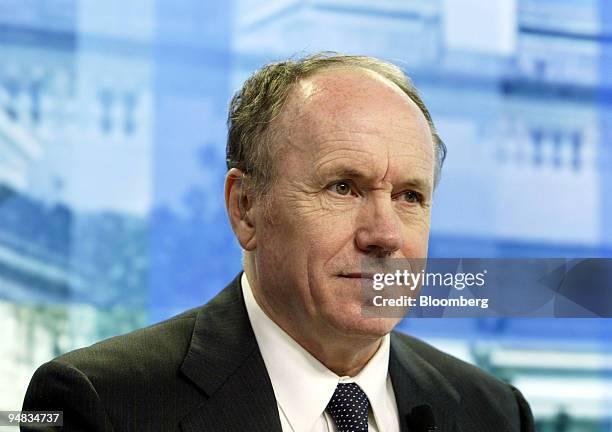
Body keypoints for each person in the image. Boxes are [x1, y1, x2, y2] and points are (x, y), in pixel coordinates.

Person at [22, 53, 534, 431]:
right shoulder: (98, 402)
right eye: (343, 187)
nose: (384, 235)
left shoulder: (494, 412)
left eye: (409, 196)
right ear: (246, 207)